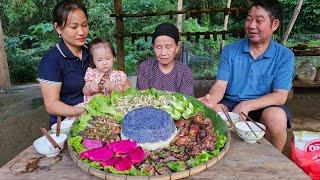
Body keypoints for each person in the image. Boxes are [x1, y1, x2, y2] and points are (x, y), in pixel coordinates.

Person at [199, 0, 294, 152]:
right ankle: (221, 157)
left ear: (274, 25)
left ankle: (272, 162)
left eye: (258, 20)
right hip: (230, 103)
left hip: (265, 105)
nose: (251, 25)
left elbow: (280, 96)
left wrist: (246, 105)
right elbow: (220, 85)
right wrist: (211, 100)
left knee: (276, 118)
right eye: (249, 19)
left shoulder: (284, 56)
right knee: (211, 115)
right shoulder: (230, 50)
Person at [38, 1, 90, 126]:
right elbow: (51, 105)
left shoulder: (90, 53)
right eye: (73, 27)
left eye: (84, 25)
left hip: (91, 118)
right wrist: (84, 111)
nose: (81, 32)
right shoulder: (51, 60)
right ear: (58, 28)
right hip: (65, 125)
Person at [136, 22, 194, 96]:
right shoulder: (145, 68)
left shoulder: (184, 72)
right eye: (159, 47)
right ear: (153, 47)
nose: (163, 53)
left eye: (168, 47)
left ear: (177, 48)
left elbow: (187, 100)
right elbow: (143, 98)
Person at [82, 38, 131, 102]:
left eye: (108, 58)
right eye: (99, 60)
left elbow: (129, 94)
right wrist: (90, 88)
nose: (104, 63)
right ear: (93, 61)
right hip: (94, 108)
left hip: (115, 108)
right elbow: (85, 91)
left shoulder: (120, 76)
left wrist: (113, 88)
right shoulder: (91, 73)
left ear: (114, 58)